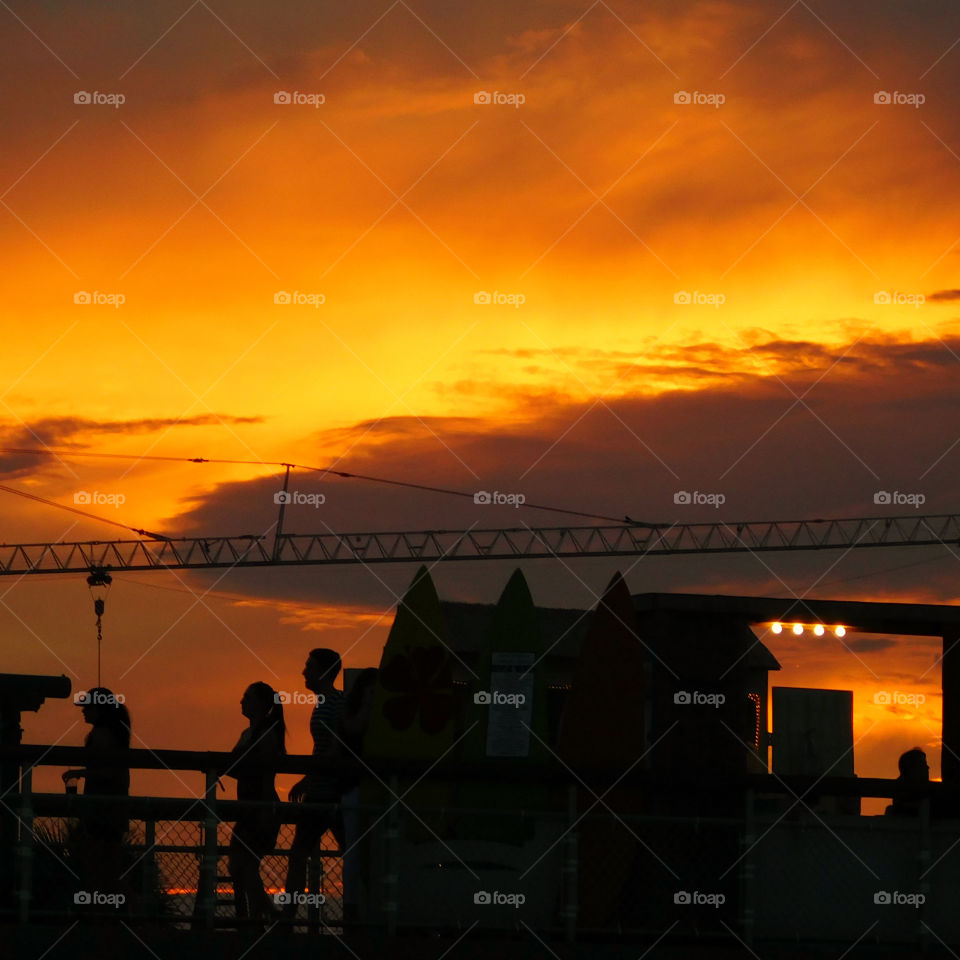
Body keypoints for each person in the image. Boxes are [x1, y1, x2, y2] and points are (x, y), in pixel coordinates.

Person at [283, 648, 345, 917]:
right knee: (302, 854)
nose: (304, 671)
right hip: (323, 790)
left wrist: (309, 779)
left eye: (309, 665)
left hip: (329, 792)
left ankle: (287, 917)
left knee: (300, 854)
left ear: (323, 671)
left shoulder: (335, 702)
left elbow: (335, 749)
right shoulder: (325, 702)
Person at [223, 682, 285, 921]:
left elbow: (266, 775)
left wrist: (265, 812)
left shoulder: (266, 734)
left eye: (247, 697)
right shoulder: (249, 734)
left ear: (260, 703)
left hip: (260, 805)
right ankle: (261, 915)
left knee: (243, 865)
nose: (242, 701)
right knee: (243, 866)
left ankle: (264, 914)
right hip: (248, 806)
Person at [61, 688, 131, 898]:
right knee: (110, 868)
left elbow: (106, 771)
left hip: (100, 809)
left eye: (87, 707)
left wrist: (79, 772)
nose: (83, 711)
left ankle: (98, 914)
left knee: (95, 869)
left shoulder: (100, 735)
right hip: (115, 808)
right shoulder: (118, 734)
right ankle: (117, 914)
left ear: (99, 709)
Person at [338, 668, 378, 922]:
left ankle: (369, 905)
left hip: (376, 789)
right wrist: (368, 703)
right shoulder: (349, 710)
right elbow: (353, 729)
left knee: (374, 848)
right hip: (354, 787)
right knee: (353, 849)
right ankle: (352, 906)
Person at [885, 747, 931, 817]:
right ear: (911, 769)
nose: (927, 767)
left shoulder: (898, 787)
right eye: (922, 764)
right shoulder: (902, 789)